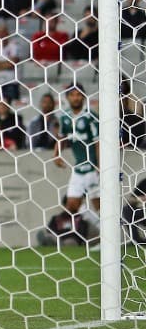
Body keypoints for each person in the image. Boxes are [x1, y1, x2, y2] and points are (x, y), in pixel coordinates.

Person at [54, 87, 100, 238]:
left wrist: (99, 165)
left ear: (84, 97)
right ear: (67, 98)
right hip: (79, 167)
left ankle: (106, 239)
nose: (76, 98)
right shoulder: (65, 117)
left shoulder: (90, 116)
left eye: (79, 95)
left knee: (99, 205)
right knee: (72, 205)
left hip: (92, 167)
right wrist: (57, 154)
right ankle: (100, 230)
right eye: (72, 95)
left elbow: (98, 142)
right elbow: (61, 137)